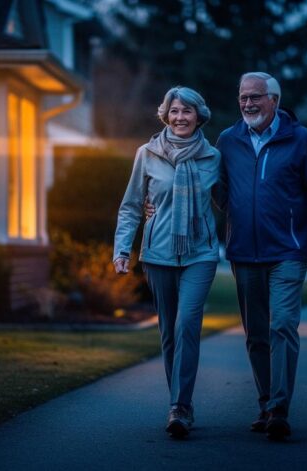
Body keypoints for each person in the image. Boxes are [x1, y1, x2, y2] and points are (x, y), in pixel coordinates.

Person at [146, 72, 307, 440]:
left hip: (288, 250)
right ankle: (265, 403)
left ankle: (279, 408)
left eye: (255, 97)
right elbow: (212, 189)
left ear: (274, 100)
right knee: (256, 334)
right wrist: (157, 204)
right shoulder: (228, 140)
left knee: (283, 324)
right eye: (243, 97)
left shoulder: (300, 139)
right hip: (244, 252)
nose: (248, 103)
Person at [113, 86, 221, 438]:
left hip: (200, 253)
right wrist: (122, 250)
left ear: (199, 115)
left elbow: (229, 201)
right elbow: (131, 206)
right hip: (158, 254)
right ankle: (178, 400)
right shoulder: (147, 154)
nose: (180, 117)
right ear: (165, 115)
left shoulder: (213, 157)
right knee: (169, 333)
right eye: (174, 111)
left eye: (187, 111)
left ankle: (180, 407)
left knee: (187, 324)